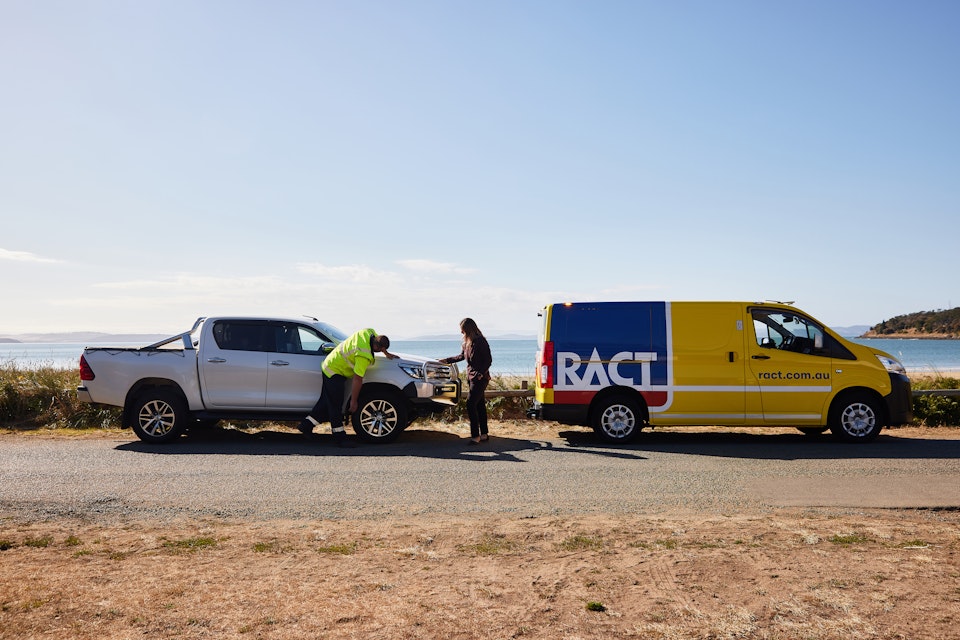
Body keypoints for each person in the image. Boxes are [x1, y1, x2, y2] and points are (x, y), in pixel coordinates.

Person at [298, 328, 397, 447]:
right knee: (336, 404)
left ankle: (305, 426)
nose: (381, 352)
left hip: (330, 364)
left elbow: (378, 341)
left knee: (326, 402)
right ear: (376, 346)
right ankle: (339, 438)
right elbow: (357, 379)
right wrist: (354, 401)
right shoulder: (363, 356)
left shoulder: (367, 332)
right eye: (380, 350)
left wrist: (387, 354)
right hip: (334, 372)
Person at [440, 318, 492, 444]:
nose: (461, 333)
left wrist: (480, 374)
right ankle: (484, 434)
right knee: (479, 405)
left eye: (463, 331)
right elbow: (461, 356)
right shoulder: (468, 343)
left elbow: (488, 360)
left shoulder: (481, 341)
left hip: (480, 379)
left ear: (468, 330)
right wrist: (446, 360)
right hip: (471, 378)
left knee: (470, 404)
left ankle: (475, 436)